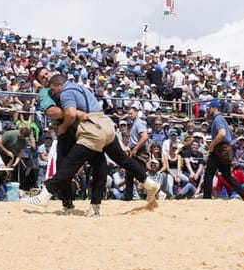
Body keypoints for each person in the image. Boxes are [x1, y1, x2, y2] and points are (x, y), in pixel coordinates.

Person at [29, 73, 158, 216]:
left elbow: (70, 114)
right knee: (114, 161)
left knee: (69, 164)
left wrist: (63, 127)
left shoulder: (65, 92)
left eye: (54, 89)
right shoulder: (81, 87)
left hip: (91, 129)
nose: (53, 93)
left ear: (59, 84)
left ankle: (44, 196)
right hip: (106, 125)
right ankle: (148, 183)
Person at [201, 102, 244, 200]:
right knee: (227, 175)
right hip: (226, 150)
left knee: (208, 174)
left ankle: (206, 198)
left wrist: (212, 145)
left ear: (214, 108)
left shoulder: (218, 119)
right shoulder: (219, 119)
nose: (208, 110)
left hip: (219, 149)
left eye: (209, 108)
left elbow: (222, 134)